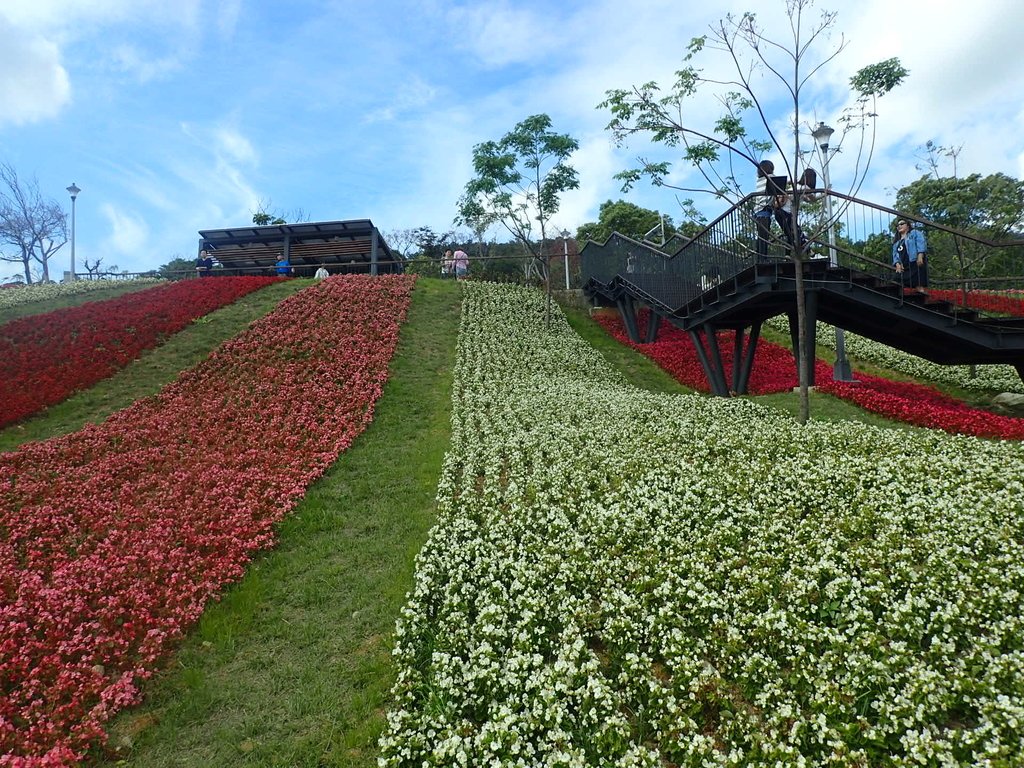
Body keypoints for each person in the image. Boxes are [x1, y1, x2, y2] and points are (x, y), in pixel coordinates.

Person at [892, 219, 928, 289]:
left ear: (908, 225)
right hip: (904, 267)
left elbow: (921, 243)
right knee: (896, 280)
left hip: (915, 262)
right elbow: (895, 255)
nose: (899, 226)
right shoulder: (896, 243)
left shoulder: (914, 233)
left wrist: (920, 255)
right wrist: (897, 264)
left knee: (919, 284)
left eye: (902, 224)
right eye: (898, 225)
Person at [753, 160, 779, 260]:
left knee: (761, 236)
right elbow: (778, 184)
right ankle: (763, 258)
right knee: (764, 236)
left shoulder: (759, 180)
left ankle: (760, 257)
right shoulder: (771, 177)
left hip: (758, 210)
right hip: (764, 209)